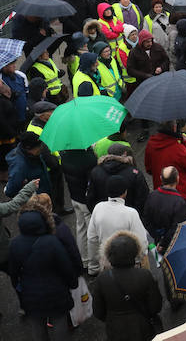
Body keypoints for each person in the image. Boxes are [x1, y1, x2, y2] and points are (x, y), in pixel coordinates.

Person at [7, 206, 78, 340]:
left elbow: (13, 271)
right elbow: (65, 266)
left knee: (37, 325)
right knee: (59, 322)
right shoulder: (52, 241)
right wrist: (72, 283)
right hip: (56, 291)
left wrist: (18, 286)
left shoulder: (15, 244)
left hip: (30, 293)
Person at [91, 231, 163, 341]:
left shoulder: (102, 279)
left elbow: (98, 311)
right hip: (143, 327)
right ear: (134, 253)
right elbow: (155, 306)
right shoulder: (144, 275)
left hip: (115, 330)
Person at [87, 175, 149, 276]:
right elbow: (142, 242)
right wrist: (138, 261)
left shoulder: (98, 208)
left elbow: (92, 239)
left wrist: (94, 265)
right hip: (129, 264)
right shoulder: (131, 213)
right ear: (125, 193)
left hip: (107, 263)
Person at [59, 144, 97, 268]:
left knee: (80, 228)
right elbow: (92, 182)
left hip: (74, 197)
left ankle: (84, 260)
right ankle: (93, 264)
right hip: (86, 200)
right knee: (92, 233)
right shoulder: (88, 158)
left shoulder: (64, 156)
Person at [145, 122, 186, 204]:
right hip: (180, 195)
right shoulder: (179, 149)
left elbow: (149, 169)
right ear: (174, 128)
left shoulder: (151, 144)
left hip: (160, 193)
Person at [85, 143, 149, 213]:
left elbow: (90, 197)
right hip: (129, 216)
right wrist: (136, 215)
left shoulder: (96, 171)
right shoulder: (134, 173)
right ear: (124, 153)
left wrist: (97, 214)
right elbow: (143, 197)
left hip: (105, 215)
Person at [142, 166, 186, 253]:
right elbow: (177, 228)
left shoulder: (152, 196)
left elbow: (146, 219)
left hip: (157, 239)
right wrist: (164, 243)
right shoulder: (179, 202)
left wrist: (157, 237)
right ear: (177, 179)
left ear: (161, 178)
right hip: (173, 244)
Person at [5, 131, 50, 197]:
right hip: (35, 202)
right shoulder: (19, 167)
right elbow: (10, 191)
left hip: (44, 195)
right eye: (37, 148)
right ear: (28, 148)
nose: (40, 148)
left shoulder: (33, 155)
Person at [0, 59, 27, 124]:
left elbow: (26, 92)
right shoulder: (1, 80)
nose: (15, 66)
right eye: (11, 64)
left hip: (24, 113)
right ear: (4, 66)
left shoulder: (21, 75)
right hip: (10, 117)